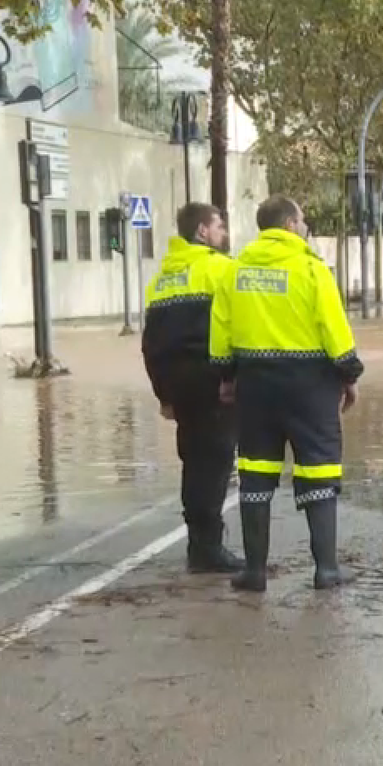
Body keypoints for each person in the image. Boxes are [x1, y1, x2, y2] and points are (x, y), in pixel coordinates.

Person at [210, 195, 363, 592]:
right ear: (291, 225)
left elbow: (220, 332)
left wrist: (227, 379)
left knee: (256, 475)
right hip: (310, 385)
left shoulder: (235, 270)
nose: (306, 225)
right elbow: (334, 329)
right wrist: (349, 375)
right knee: (319, 470)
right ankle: (326, 570)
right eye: (304, 219)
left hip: (256, 386)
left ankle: (255, 572)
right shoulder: (312, 270)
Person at [141, 202, 244, 573]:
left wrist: (164, 395)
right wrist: (233, 379)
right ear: (202, 231)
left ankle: (197, 544)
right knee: (214, 465)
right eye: (219, 226)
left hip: (179, 388)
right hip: (214, 385)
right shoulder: (223, 270)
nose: (224, 234)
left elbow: (150, 344)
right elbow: (238, 328)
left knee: (194, 464)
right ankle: (208, 550)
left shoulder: (161, 280)